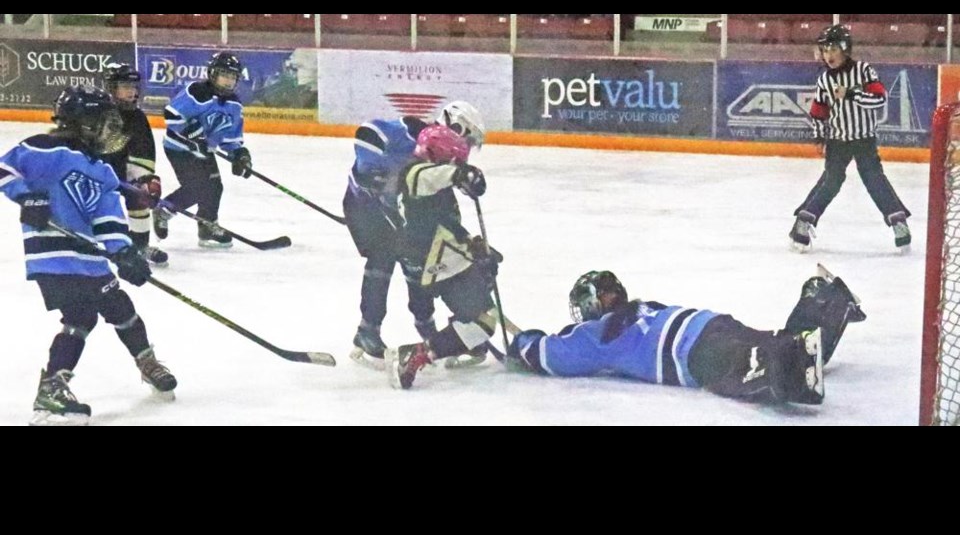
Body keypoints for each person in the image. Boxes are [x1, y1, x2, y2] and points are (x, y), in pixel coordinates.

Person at [0, 87, 177, 426]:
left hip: (89, 257)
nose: (112, 129)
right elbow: (4, 171)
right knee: (81, 315)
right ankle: (52, 389)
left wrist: (124, 252)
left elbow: (107, 219)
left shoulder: (103, 169)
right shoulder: (44, 148)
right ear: (83, 122)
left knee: (120, 307)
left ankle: (147, 361)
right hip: (52, 255)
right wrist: (28, 198)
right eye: (104, 121)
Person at [506, 267, 866, 405]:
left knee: (746, 372)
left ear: (592, 303)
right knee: (777, 340)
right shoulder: (642, 306)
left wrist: (522, 343)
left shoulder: (597, 334)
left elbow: (551, 355)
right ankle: (825, 303)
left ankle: (789, 364)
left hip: (696, 353)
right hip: (712, 323)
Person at [344, 101, 486, 368]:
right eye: (469, 138)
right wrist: (373, 171)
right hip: (364, 205)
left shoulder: (438, 158)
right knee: (383, 258)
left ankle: (425, 325)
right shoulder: (413, 130)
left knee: (415, 260)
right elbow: (367, 133)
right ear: (457, 126)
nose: (468, 148)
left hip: (389, 209)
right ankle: (368, 330)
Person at [384, 123, 503, 389]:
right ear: (436, 154)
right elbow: (436, 176)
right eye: (451, 159)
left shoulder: (421, 180)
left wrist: (473, 246)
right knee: (483, 321)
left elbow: (443, 221)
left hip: (435, 257)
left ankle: (460, 340)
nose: (457, 163)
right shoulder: (416, 174)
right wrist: (460, 174)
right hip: (438, 260)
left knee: (477, 310)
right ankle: (416, 354)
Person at [789, 24, 911, 252]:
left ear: (845, 49)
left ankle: (898, 221)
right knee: (832, 181)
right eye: (825, 50)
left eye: (833, 49)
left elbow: (880, 99)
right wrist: (819, 135)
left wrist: (853, 93)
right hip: (837, 140)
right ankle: (804, 221)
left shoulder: (864, 70)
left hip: (864, 139)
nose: (829, 55)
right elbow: (818, 112)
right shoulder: (824, 80)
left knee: (874, 179)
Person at [153, 51, 252, 248]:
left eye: (233, 77)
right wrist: (191, 132)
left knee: (214, 187)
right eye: (225, 75)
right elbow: (172, 115)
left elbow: (230, 138)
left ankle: (207, 227)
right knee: (197, 188)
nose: (228, 81)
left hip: (203, 151)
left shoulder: (234, 105)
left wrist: (240, 155)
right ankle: (163, 210)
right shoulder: (197, 92)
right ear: (213, 74)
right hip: (179, 148)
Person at [100, 62, 168, 267]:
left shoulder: (137, 118)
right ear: (111, 88)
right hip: (93, 172)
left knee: (140, 194)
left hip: (121, 173)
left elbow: (143, 154)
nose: (132, 92)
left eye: (134, 87)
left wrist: (145, 181)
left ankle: (139, 245)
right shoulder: (97, 113)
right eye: (125, 87)